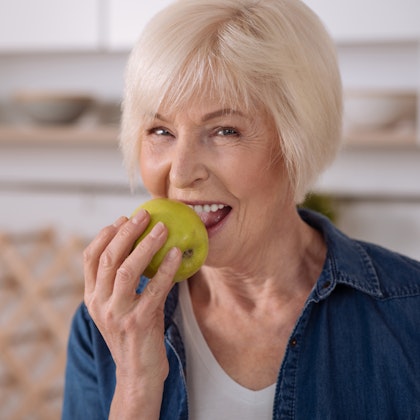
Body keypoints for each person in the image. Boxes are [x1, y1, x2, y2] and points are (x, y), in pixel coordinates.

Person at [62, 0, 420, 418]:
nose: (181, 172)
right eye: (161, 130)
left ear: (295, 141)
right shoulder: (105, 324)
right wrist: (137, 385)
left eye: (224, 130)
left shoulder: (408, 312)